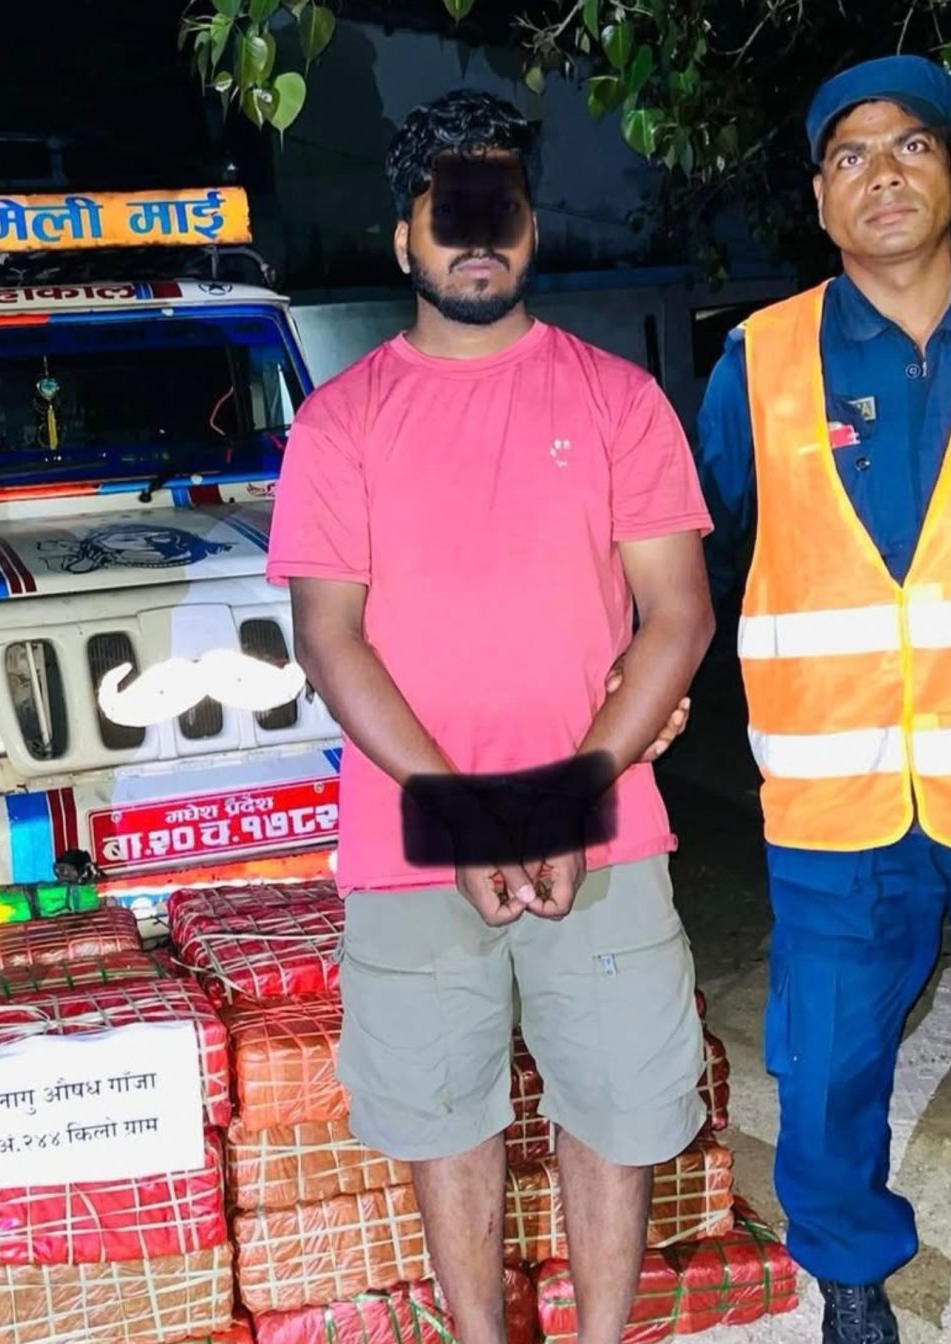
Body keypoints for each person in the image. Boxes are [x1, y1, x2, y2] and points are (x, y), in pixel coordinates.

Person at [264, 89, 718, 1344]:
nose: (476, 237)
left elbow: (677, 615)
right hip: (411, 839)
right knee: (441, 1116)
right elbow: (329, 636)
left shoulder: (618, 399)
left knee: (616, 1108)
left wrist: (566, 796)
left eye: (498, 209)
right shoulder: (342, 420)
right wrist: (467, 817)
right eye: (448, 212)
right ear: (402, 237)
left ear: (528, 229)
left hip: (603, 826)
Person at [691, 54, 951, 1344]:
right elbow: (686, 562)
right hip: (837, 799)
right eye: (851, 154)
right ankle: (852, 1290)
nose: (884, 173)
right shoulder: (755, 361)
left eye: (911, 145)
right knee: (823, 1075)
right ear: (820, 196)